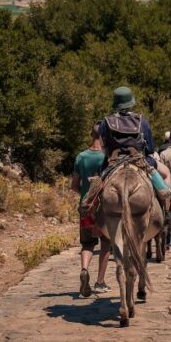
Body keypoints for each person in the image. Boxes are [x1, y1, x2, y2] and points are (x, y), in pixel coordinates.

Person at [71, 123, 111, 297]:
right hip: (105, 208)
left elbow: (74, 185)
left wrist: (86, 195)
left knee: (87, 243)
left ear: (90, 134)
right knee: (106, 243)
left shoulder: (81, 157)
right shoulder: (108, 157)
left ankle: (84, 269)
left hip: (86, 207)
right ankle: (100, 282)